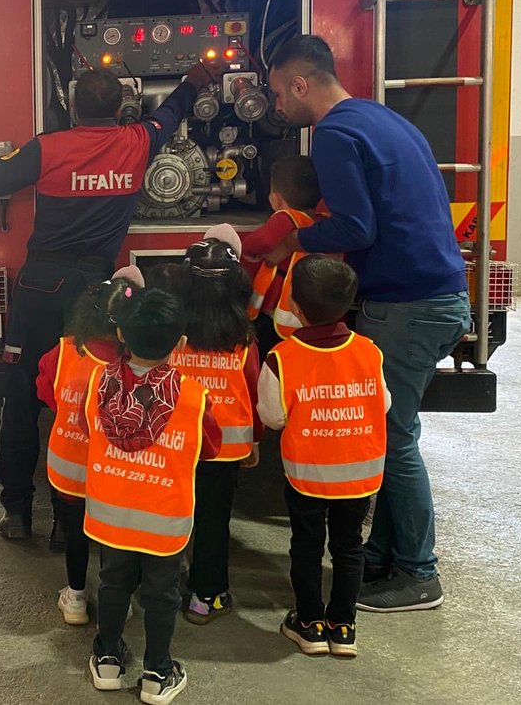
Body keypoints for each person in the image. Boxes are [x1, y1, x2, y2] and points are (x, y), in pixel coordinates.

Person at [0, 63, 218, 542]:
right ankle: (67, 521)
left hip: (40, 287)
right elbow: (173, 112)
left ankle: (16, 511)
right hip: (98, 293)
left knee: (20, 397)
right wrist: (197, 80)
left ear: (74, 108)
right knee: (80, 401)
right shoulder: (138, 141)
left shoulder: (46, 148)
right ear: (121, 109)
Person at [263, 35, 470, 612]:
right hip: (437, 294)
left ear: (302, 84)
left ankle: (419, 573)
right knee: (387, 433)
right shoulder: (381, 119)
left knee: (395, 441)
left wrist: (293, 241)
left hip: (409, 303)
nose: (278, 107)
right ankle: (380, 558)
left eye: (280, 93)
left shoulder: (333, 134)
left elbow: (355, 229)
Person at [82, 287, 220, 704]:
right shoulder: (193, 397)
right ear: (180, 344)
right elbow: (208, 448)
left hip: (111, 514)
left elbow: (91, 432)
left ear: (121, 333)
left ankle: (108, 658)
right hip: (163, 519)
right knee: (162, 594)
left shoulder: (96, 382)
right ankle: (157, 674)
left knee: (111, 582)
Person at [256, 255, 390, 658]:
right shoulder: (369, 351)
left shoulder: (282, 357)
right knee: (350, 546)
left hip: (308, 476)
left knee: (307, 545)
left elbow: (273, 418)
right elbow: (382, 403)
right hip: (359, 477)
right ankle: (344, 625)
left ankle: (310, 622)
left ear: (293, 305)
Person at [38, 266, 141, 626]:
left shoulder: (64, 350)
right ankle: (118, 598)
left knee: (76, 533)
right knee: (114, 537)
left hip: (67, 465)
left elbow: (46, 391)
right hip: (111, 471)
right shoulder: (130, 363)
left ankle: (76, 598)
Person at [168, 238, 262, 625]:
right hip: (226, 451)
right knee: (213, 521)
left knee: (172, 514)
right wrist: (255, 442)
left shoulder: (172, 334)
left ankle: (163, 584)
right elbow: (255, 392)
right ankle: (206, 598)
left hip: (177, 443)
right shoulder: (243, 340)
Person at [242, 155, 320, 358]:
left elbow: (264, 241)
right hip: (306, 308)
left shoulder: (286, 217)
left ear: (275, 198)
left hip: (276, 310)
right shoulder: (319, 222)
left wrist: (247, 250)